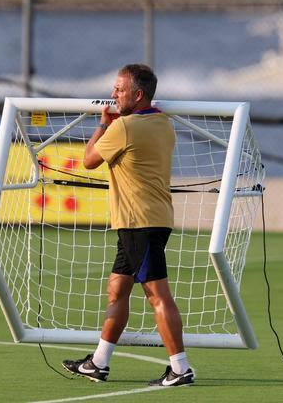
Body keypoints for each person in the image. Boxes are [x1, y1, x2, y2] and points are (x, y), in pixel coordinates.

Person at [61, 64, 194, 387]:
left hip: (139, 222)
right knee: (118, 289)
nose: (112, 95)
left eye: (119, 90)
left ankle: (180, 368)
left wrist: (104, 125)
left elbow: (89, 159)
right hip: (151, 219)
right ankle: (99, 362)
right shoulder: (164, 122)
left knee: (157, 295)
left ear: (137, 94)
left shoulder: (125, 128)